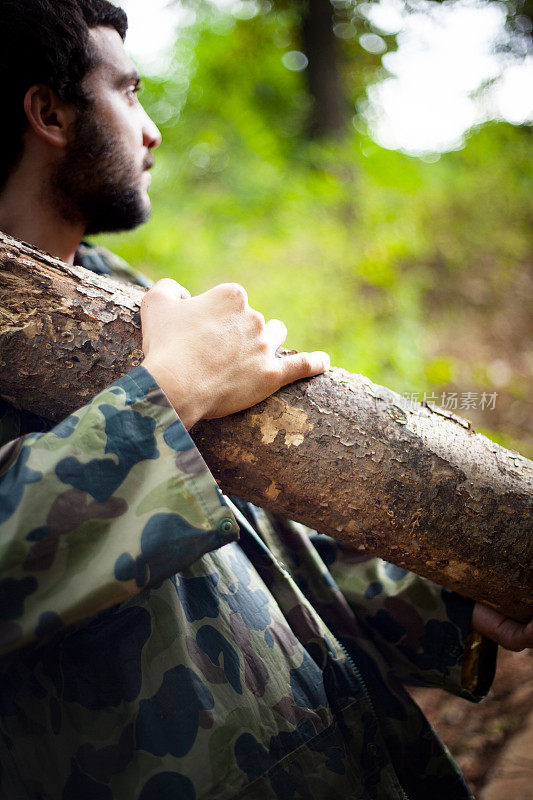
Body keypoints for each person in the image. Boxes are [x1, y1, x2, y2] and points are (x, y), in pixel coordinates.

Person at [0, 2, 531, 798]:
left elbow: (265, 543)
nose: (151, 133)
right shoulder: (168, 353)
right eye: (130, 93)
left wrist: (450, 603)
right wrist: (171, 389)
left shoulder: (133, 297)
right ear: (48, 112)